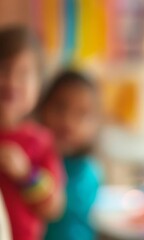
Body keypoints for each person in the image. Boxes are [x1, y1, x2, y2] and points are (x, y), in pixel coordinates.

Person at [0, 26, 65, 240]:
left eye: (24, 73)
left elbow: (54, 207)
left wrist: (26, 174)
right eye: (4, 68)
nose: (12, 80)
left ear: (39, 87)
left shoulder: (40, 141)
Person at [39, 70, 102, 240]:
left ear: (95, 124)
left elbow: (53, 206)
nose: (68, 120)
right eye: (60, 107)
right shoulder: (33, 158)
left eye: (81, 114)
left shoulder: (87, 173)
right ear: (42, 106)